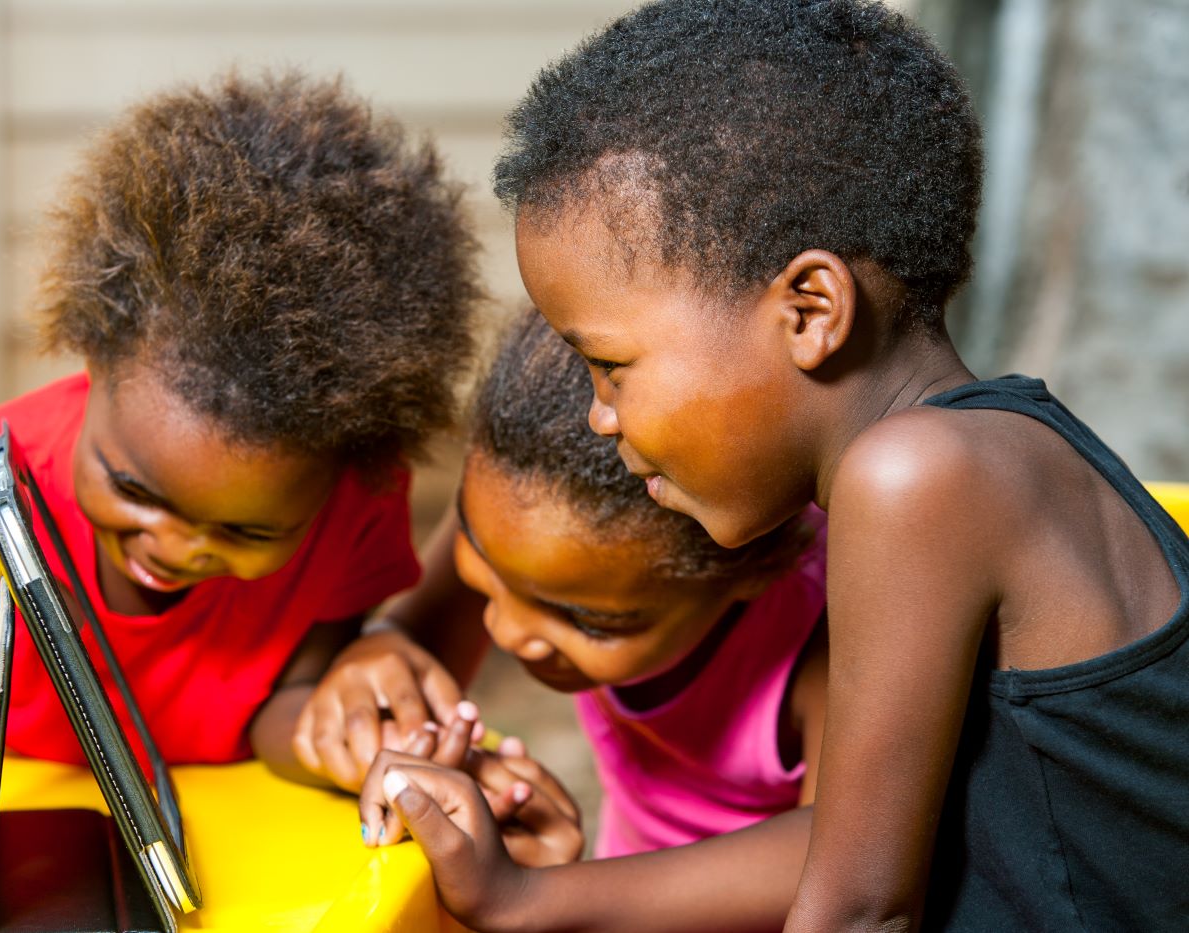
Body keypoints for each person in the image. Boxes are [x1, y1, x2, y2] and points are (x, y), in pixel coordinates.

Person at [360, 1, 1189, 931]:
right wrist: (535, 895)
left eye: (611, 365)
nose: (599, 414)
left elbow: (858, 911)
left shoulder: (916, 477)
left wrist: (526, 904)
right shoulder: (997, 448)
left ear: (808, 311)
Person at [0, 72, 479, 849]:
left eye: (248, 533)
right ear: (96, 347)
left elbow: (287, 705)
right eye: (132, 487)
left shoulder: (352, 497)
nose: (174, 546)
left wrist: (351, 748)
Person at [349, 310, 827, 910]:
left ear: (751, 574)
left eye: (588, 620)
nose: (509, 632)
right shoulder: (517, 526)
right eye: (485, 570)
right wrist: (381, 659)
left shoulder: (827, 623)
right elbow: (412, 651)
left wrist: (536, 898)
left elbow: (840, 854)